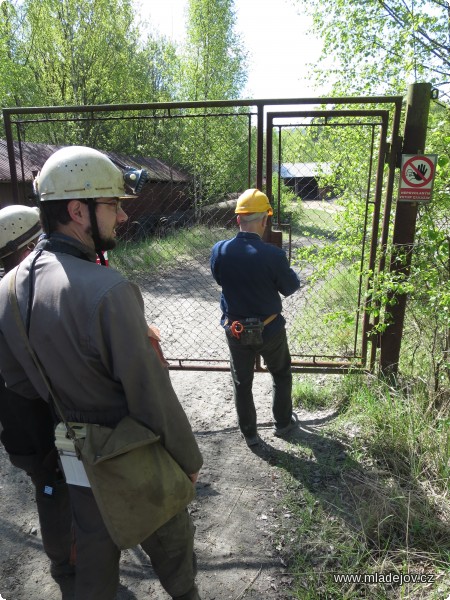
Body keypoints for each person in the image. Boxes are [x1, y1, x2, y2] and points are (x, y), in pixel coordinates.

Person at [0, 146, 203, 600]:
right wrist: (188, 461)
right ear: (77, 210)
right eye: (112, 205)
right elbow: (151, 395)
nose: (123, 219)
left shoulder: (6, 291)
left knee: (92, 561)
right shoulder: (108, 290)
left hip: (72, 454)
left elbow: (16, 383)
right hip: (134, 452)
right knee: (173, 549)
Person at [0, 204, 74, 578]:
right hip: (35, 424)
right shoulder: (18, 295)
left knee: (50, 484)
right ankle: (63, 560)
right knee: (52, 488)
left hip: (17, 424)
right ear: (26, 246)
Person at [210, 188, 301, 447]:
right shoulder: (273, 255)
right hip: (270, 330)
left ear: (238, 219)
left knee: (242, 381)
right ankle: (283, 423)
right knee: (281, 374)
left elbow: (219, 279)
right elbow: (290, 287)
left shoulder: (220, 250)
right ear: (264, 220)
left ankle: (250, 432)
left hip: (236, 330)